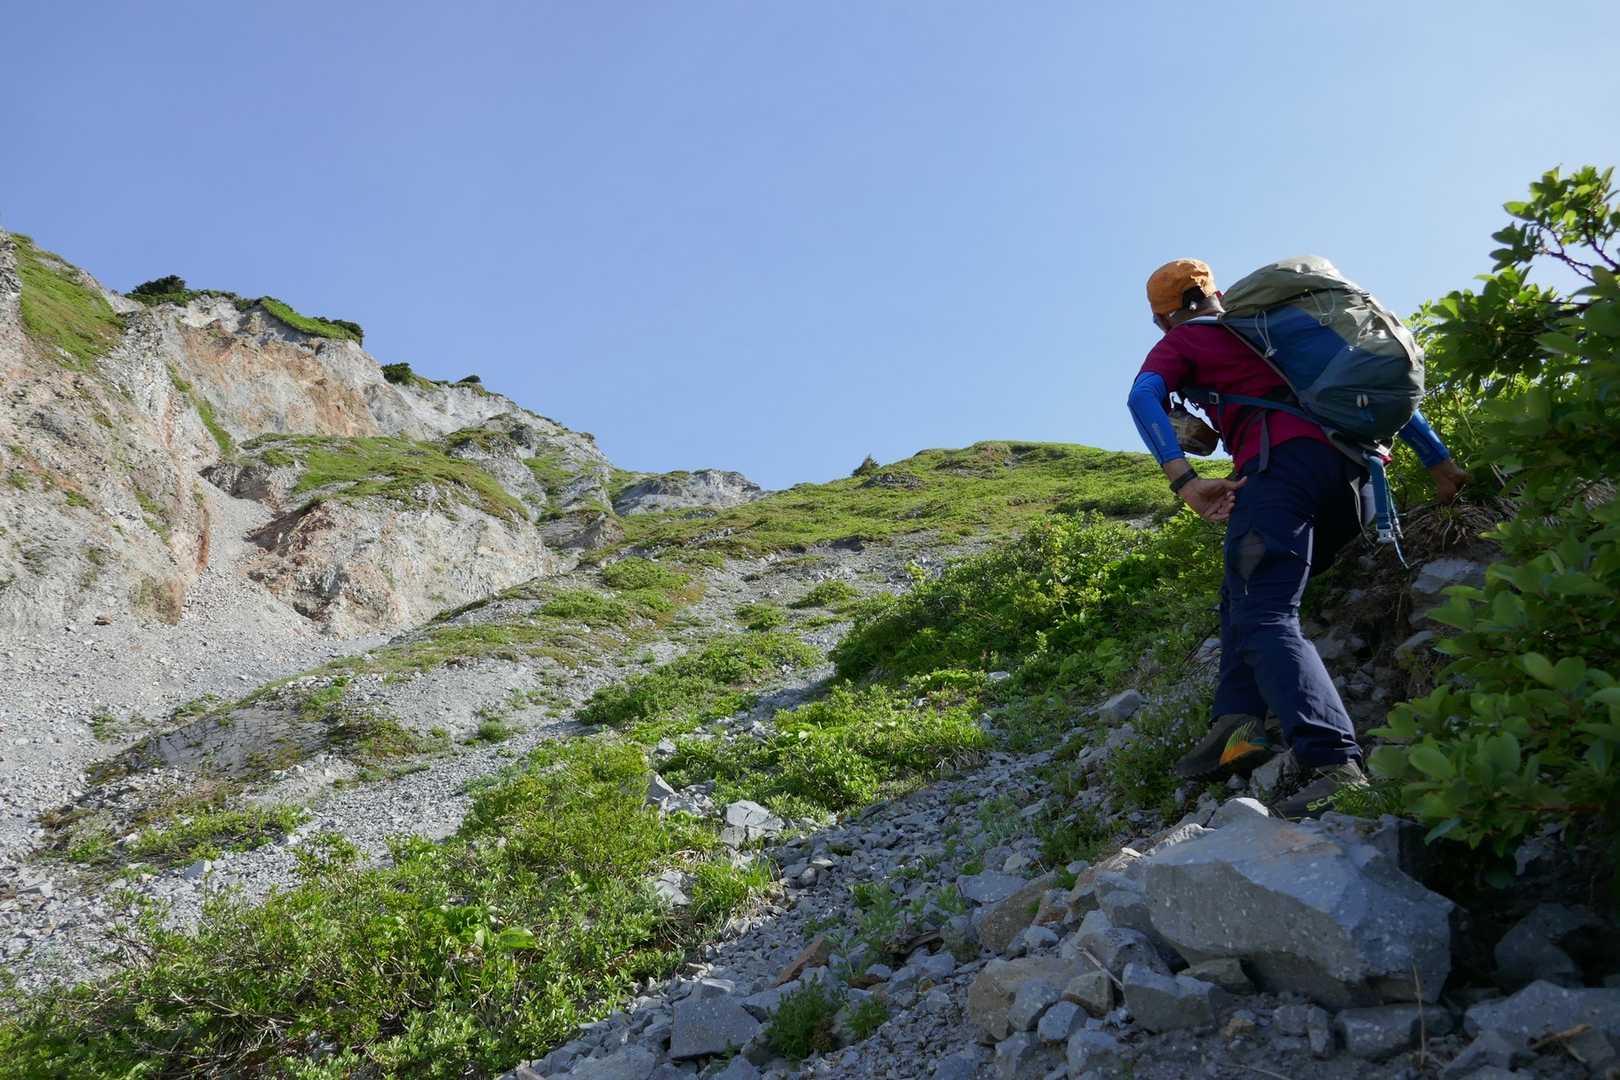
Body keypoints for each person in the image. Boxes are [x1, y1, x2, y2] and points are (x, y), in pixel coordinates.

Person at [1126, 258, 1469, 817]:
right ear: (1215, 294)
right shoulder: (1276, 331)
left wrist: (1184, 480)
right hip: (1355, 489)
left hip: (1282, 470)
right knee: (1242, 591)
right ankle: (1237, 721)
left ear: (1163, 318)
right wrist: (1441, 465)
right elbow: (1373, 399)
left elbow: (1142, 397)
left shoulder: (1185, 340)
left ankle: (1335, 763)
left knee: (1266, 612)